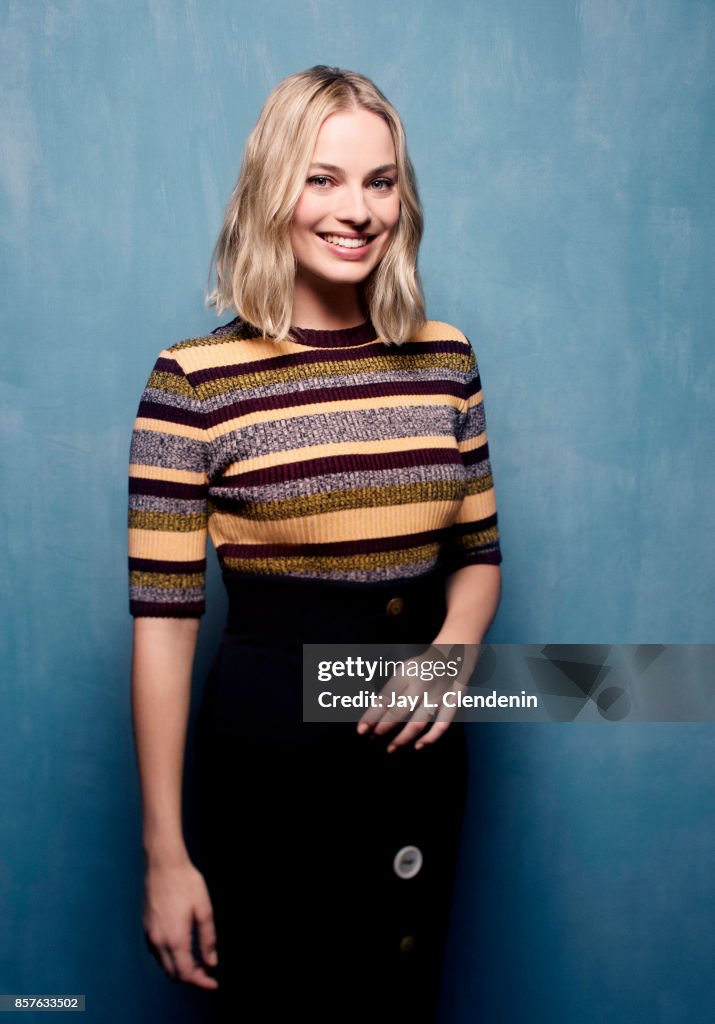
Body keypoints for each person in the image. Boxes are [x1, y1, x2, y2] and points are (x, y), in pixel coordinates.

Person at [128, 65, 502, 1022]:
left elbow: (478, 556)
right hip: (271, 771)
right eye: (322, 178)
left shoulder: (446, 358)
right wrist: (166, 856)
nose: (357, 209)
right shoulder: (193, 380)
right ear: (273, 191)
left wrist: (453, 656)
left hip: (421, 763)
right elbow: (166, 630)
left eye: (380, 181)